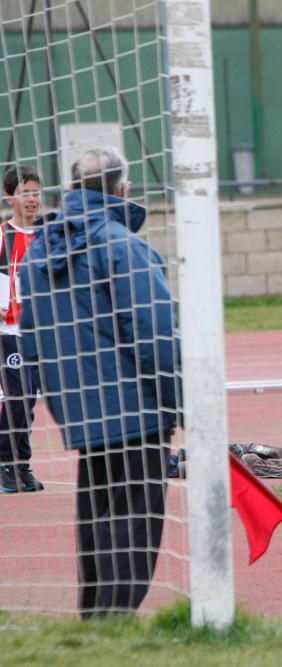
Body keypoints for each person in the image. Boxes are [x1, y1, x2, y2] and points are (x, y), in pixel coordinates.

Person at [19, 146, 180, 617]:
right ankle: (115, 617)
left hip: (80, 408)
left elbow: (33, 340)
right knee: (136, 517)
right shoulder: (125, 247)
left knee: (98, 513)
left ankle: (95, 616)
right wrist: (184, 404)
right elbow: (154, 335)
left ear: (70, 190)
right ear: (123, 190)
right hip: (137, 411)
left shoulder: (39, 251)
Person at [0, 165, 42, 493]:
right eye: (25, 192)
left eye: (36, 192)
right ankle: (6, 462)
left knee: (29, 400)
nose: (32, 199)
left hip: (40, 333)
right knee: (18, 395)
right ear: (10, 198)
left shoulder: (47, 237)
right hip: (8, 332)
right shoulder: (3, 236)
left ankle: (21, 464)